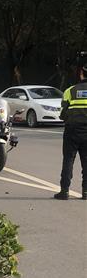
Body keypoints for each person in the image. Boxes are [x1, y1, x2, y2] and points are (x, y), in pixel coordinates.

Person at [54, 58, 87, 200]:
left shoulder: (70, 91)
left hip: (72, 130)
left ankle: (64, 191)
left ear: (81, 74)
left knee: (68, 160)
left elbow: (63, 113)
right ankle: (86, 193)